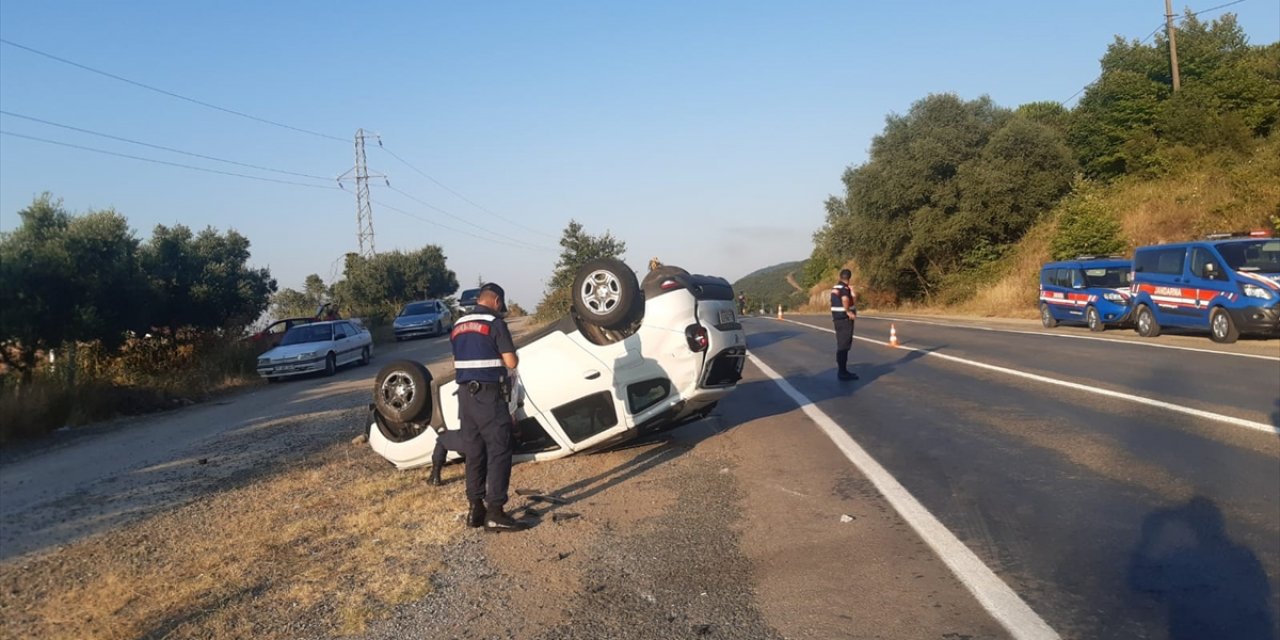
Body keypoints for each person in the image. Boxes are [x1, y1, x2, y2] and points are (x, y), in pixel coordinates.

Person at [450, 282, 528, 532]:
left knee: (474, 452)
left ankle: (475, 509)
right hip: (488, 395)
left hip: (465, 397)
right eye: (501, 304)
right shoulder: (494, 323)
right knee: (499, 449)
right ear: (496, 301)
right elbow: (511, 360)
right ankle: (495, 511)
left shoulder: (458, 325)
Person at [831, 269, 859, 381]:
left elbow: (851, 298)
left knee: (841, 344)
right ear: (849, 277)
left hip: (837, 319)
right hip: (844, 319)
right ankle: (842, 372)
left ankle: (842, 370)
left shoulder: (836, 287)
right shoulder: (844, 288)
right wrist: (848, 311)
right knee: (844, 346)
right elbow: (845, 299)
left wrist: (852, 292)